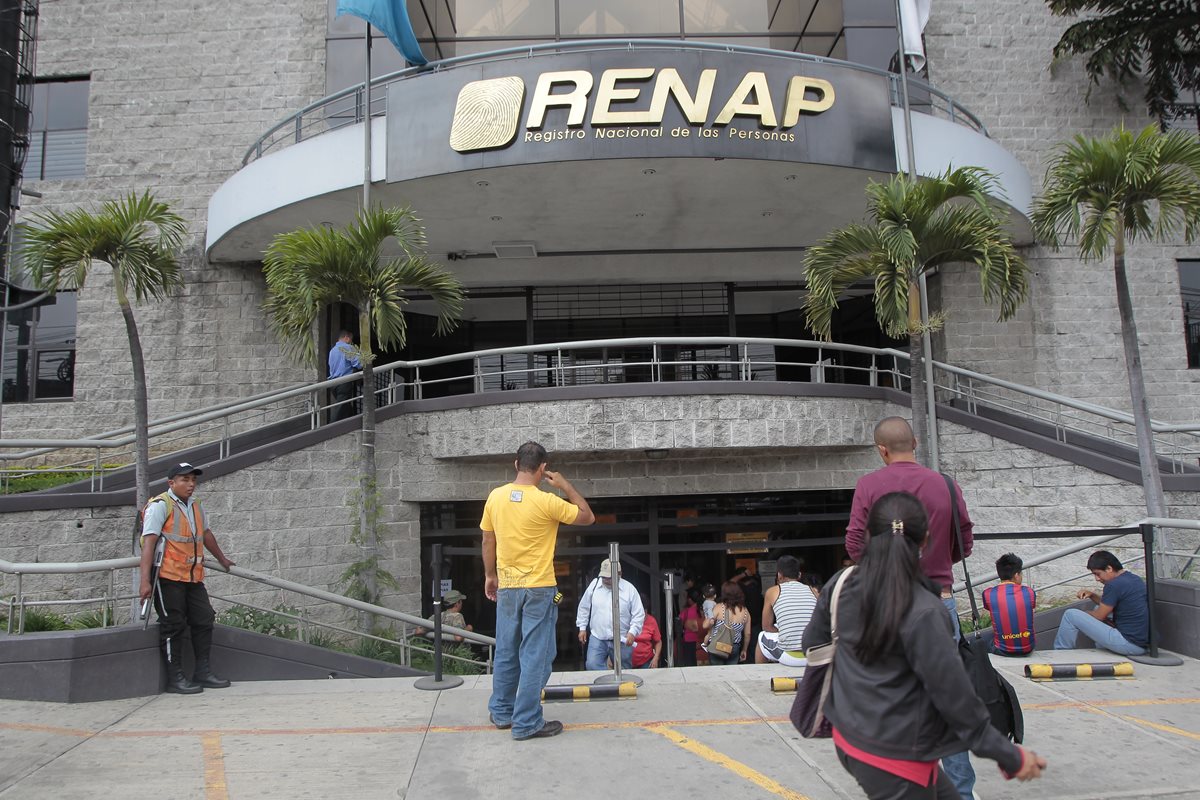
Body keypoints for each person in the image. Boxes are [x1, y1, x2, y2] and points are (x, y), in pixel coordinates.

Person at [805, 492, 1046, 799]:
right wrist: (1010, 755)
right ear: (925, 541)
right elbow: (956, 699)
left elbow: (813, 643)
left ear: (866, 535)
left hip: (852, 738)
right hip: (896, 758)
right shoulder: (925, 610)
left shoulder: (840, 584)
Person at [845, 416, 977, 799]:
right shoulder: (945, 485)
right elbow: (964, 540)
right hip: (937, 602)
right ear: (915, 443)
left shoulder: (869, 485)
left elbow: (855, 542)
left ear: (881, 450)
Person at [482, 441, 595, 740]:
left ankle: (502, 712)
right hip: (540, 588)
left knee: (506, 650)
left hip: (508, 586)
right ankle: (527, 721)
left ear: (515, 463)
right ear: (543, 468)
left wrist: (489, 575)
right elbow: (587, 515)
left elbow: (487, 542)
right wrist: (566, 485)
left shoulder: (495, 497)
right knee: (535, 655)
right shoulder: (547, 501)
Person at [138, 462, 236, 695]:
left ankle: (202, 671)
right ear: (171, 483)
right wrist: (145, 581)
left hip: (193, 576)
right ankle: (176, 677)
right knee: (173, 625)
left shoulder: (196, 505)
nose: (191, 484)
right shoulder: (161, 505)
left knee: (204, 619)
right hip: (168, 576)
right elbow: (149, 542)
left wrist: (221, 558)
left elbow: (206, 534)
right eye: (185, 480)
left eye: (193, 480)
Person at [1053, 550, 1149, 656]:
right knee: (1096, 608)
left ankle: (1061, 654)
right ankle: (1102, 649)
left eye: (1098, 574)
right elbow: (1108, 605)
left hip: (1128, 644)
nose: (1097, 579)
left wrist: (1083, 615)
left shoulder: (1113, 585)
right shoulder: (1133, 579)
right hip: (1141, 644)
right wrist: (1092, 595)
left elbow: (1099, 616)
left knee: (1071, 615)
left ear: (1109, 568)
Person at [577, 558, 645, 671]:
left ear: (620, 574)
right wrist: (582, 628)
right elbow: (584, 607)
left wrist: (633, 632)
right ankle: (603, 686)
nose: (606, 580)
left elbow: (638, 614)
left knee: (623, 669)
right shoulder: (594, 585)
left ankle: (621, 688)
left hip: (622, 638)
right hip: (598, 636)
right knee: (592, 664)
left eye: (609, 577)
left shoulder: (629, 589)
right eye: (604, 577)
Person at [756, 554, 817, 666]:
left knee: (761, 636)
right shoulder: (813, 591)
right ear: (799, 575)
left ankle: (760, 674)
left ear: (779, 575)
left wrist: (784, 632)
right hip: (813, 655)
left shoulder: (772, 591)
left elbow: (766, 626)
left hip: (789, 656)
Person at [983, 554, 1036, 656]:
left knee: (978, 641)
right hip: (1028, 648)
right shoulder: (1029, 592)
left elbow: (989, 608)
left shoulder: (988, 594)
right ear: (1016, 575)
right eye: (1021, 574)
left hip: (1002, 650)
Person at [702, 580, 751, 665]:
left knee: (717, 674)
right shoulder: (745, 612)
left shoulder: (718, 608)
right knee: (731, 674)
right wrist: (744, 650)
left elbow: (705, 625)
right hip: (734, 647)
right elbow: (748, 634)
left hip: (717, 646)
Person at [327, 330, 360, 422]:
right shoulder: (348, 348)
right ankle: (331, 427)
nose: (351, 342)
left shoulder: (332, 351)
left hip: (333, 383)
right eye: (350, 339)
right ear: (346, 337)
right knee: (341, 406)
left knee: (345, 405)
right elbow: (359, 363)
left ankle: (353, 421)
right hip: (344, 381)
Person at [631, 597, 663, 669]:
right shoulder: (627, 619)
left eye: (645, 611)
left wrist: (656, 658)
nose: (643, 614)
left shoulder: (651, 621)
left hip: (645, 661)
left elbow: (658, 641)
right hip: (627, 661)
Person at [678, 589, 703, 667]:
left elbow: (680, 624)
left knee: (689, 664)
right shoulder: (702, 610)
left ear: (689, 600)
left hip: (688, 640)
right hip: (701, 640)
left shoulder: (686, 611)